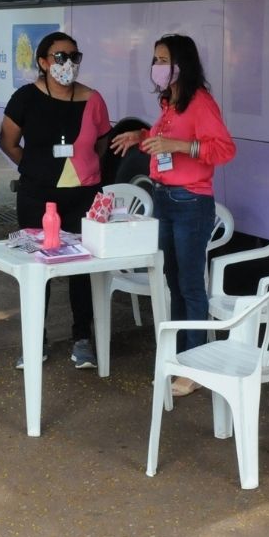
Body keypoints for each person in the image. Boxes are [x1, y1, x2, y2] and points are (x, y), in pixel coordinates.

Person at [110, 33, 235, 397]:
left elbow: (224, 149)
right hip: (164, 198)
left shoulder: (200, 102)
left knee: (192, 285)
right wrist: (141, 135)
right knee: (173, 280)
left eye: (162, 59)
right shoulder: (171, 103)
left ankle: (197, 363)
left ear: (181, 63)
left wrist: (177, 146)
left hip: (191, 203)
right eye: (155, 59)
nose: (157, 67)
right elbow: (164, 139)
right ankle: (183, 357)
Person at [0, 31, 111, 369]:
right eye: (59, 57)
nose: (67, 63)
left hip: (82, 196)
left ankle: (82, 338)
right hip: (38, 196)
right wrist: (36, 170)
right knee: (37, 268)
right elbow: (9, 143)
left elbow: (102, 143)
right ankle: (36, 340)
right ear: (44, 62)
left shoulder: (93, 99)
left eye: (73, 57)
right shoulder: (26, 97)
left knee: (82, 269)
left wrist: (83, 171)